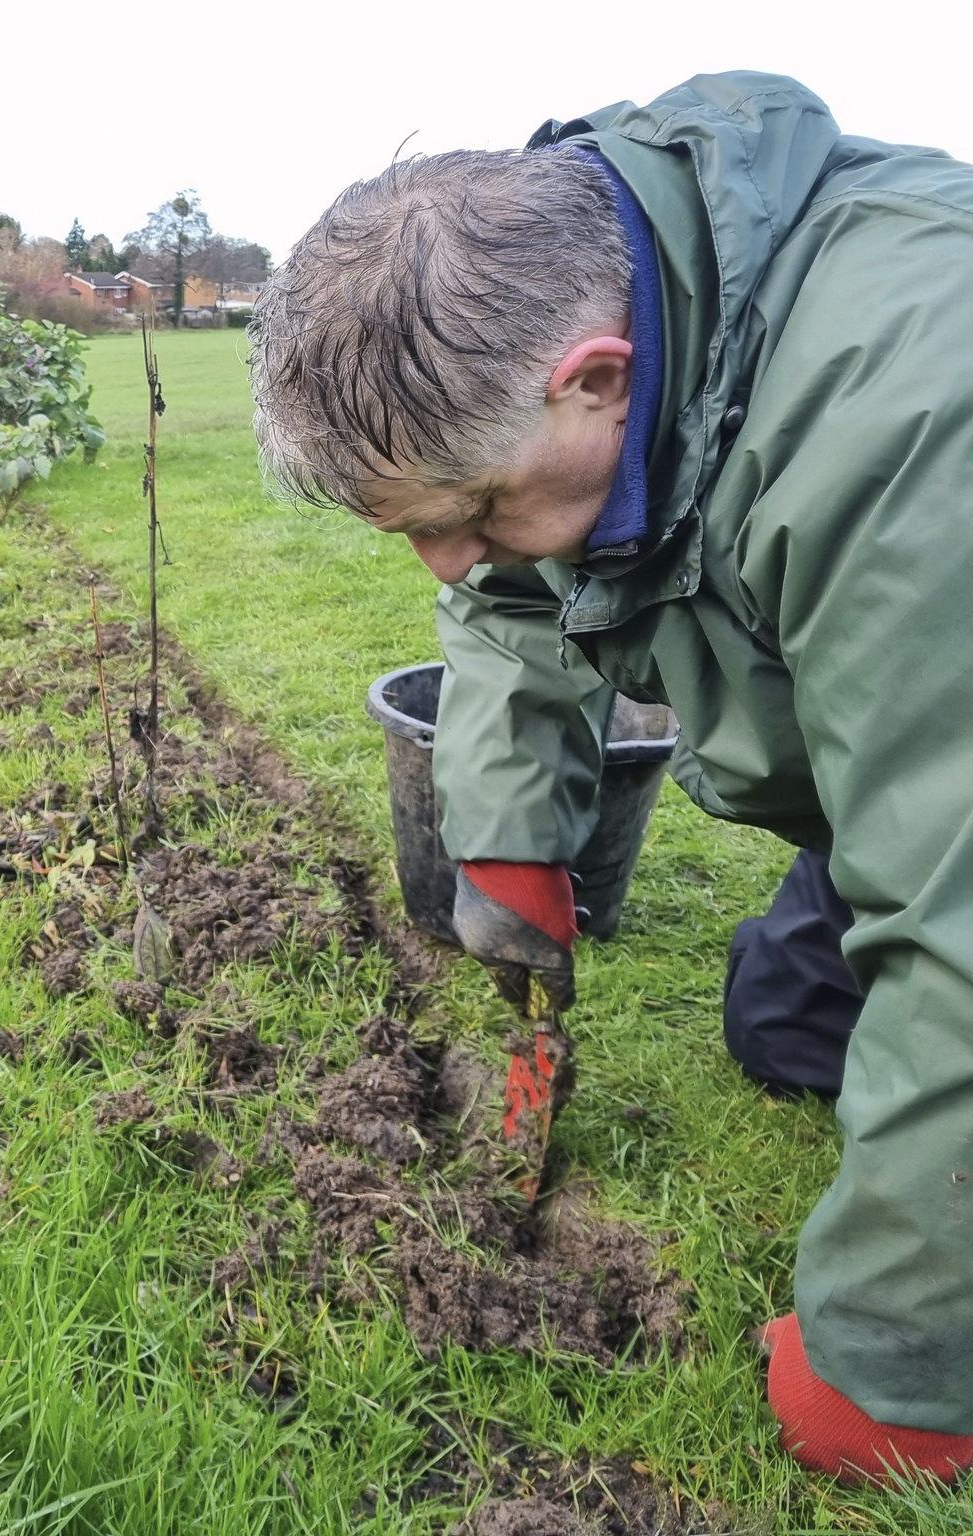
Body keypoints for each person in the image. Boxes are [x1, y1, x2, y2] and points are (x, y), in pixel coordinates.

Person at [249, 72, 973, 1484]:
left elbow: (961, 938)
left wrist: (898, 1362)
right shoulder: (621, 319)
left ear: (595, 377)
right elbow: (513, 597)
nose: (447, 563)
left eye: (460, 516)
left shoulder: (911, 428)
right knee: (789, 1024)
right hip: (907, 753)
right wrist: (513, 844)